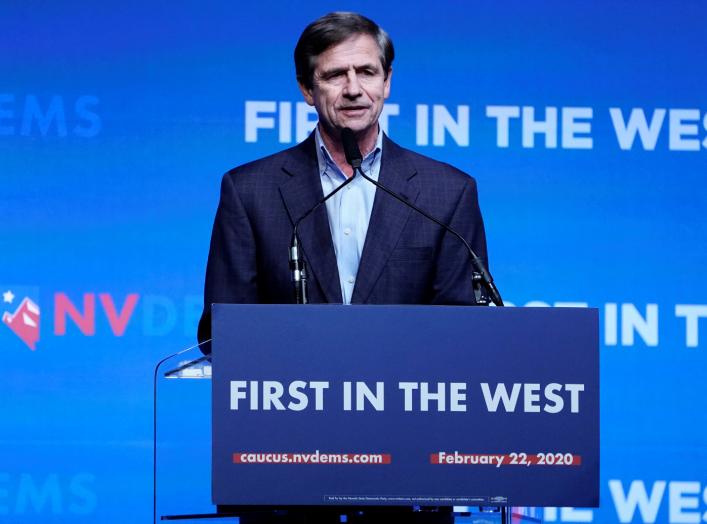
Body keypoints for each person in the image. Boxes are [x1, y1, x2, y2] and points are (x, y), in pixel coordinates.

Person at [198, 12, 489, 352]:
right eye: (335, 75)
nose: (354, 89)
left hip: (404, 398)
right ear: (307, 89)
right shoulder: (249, 191)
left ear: (387, 82)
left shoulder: (448, 193)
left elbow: (464, 331)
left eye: (367, 72)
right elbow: (221, 333)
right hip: (291, 398)